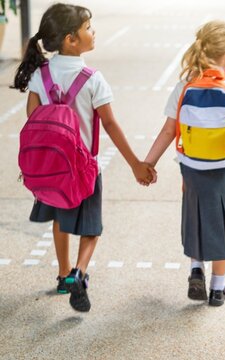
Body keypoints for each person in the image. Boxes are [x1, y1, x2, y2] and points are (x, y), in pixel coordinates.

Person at [13, 3, 155, 312]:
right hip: (84, 168)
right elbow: (111, 123)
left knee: (60, 220)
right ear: (70, 40)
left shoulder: (41, 74)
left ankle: (63, 275)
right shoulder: (92, 78)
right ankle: (80, 272)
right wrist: (135, 164)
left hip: (51, 170)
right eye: (88, 28)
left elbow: (32, 121)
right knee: (91, 227)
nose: (93, 32)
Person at [144, 20, 225, 307]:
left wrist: (148, 162)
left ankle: (196, 269)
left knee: (196, 216)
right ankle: (218, 288)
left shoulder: (184, 86)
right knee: (223, 222)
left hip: (192, 169)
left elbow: (167, 131)